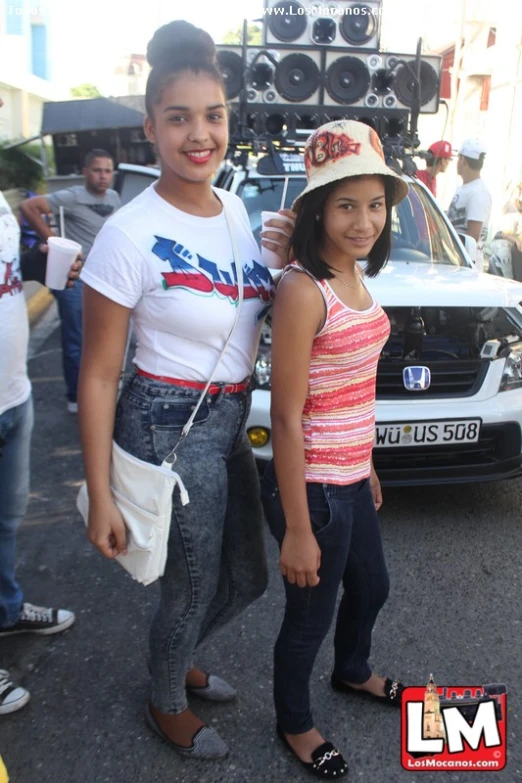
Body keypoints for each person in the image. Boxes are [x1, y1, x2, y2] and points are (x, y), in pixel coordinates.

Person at [77, 20, 293, 760]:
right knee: (193, 585)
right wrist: (101, 492)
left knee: (248, 577)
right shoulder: (129, 233)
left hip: (230, 416)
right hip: (167, 423)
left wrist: (286, 254)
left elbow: (251, 298)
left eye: (213, 116)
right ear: (151, 127)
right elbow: (100, 372)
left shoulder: (234, 209)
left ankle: (176, 656)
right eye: (179, 119)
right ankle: (166, 697)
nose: (199, 135)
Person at [260, 120, 409, 779]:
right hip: (313, 484)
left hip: (352, 474)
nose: (363, 219)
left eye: (374, 204)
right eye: (346, 204)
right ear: (318, 209)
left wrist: (368, 461)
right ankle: (294, 721)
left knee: (371, 585)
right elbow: (287, 418)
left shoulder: (352, 276)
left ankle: (351, 671)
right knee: (307, 617)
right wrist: (297, 528)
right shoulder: (302, 289)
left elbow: (350, 386)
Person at [0, 94, 79, 716]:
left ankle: (5, 609)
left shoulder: (3, 208)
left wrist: (49, 263)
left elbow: (16, 276)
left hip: (15, 394)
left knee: (6, 522)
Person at [20, 150, 121, 414]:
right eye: (97, 170)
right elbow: (28, 207)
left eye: (108, 171)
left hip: (105, 279)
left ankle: (103, 388)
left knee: (106, 338)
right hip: (75, 278)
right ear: (86, 171)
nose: (103, 176)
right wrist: (53, 242)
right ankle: (76, 396)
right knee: (76, 339)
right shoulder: (73, 196)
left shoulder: (113, 197)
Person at [447, 138, 492, 268]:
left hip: (465, 265)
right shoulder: (465, 189)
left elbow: (472, 237)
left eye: (458, 158)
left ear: (463, 161)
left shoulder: (478, 193)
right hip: (454, 262)